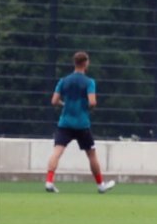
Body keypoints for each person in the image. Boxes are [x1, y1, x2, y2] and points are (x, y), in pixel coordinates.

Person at [45, 51, 116, 194]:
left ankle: (49, 181)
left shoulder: (64, 80)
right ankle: (100, 184)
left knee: (57, 151)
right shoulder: (89, 82)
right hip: (82, 124)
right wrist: (87, 106)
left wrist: (64, 104)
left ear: (75, 63)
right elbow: (92, 102)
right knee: (91, 154)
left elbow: (54, 101)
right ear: (85, 63)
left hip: (65, 123)